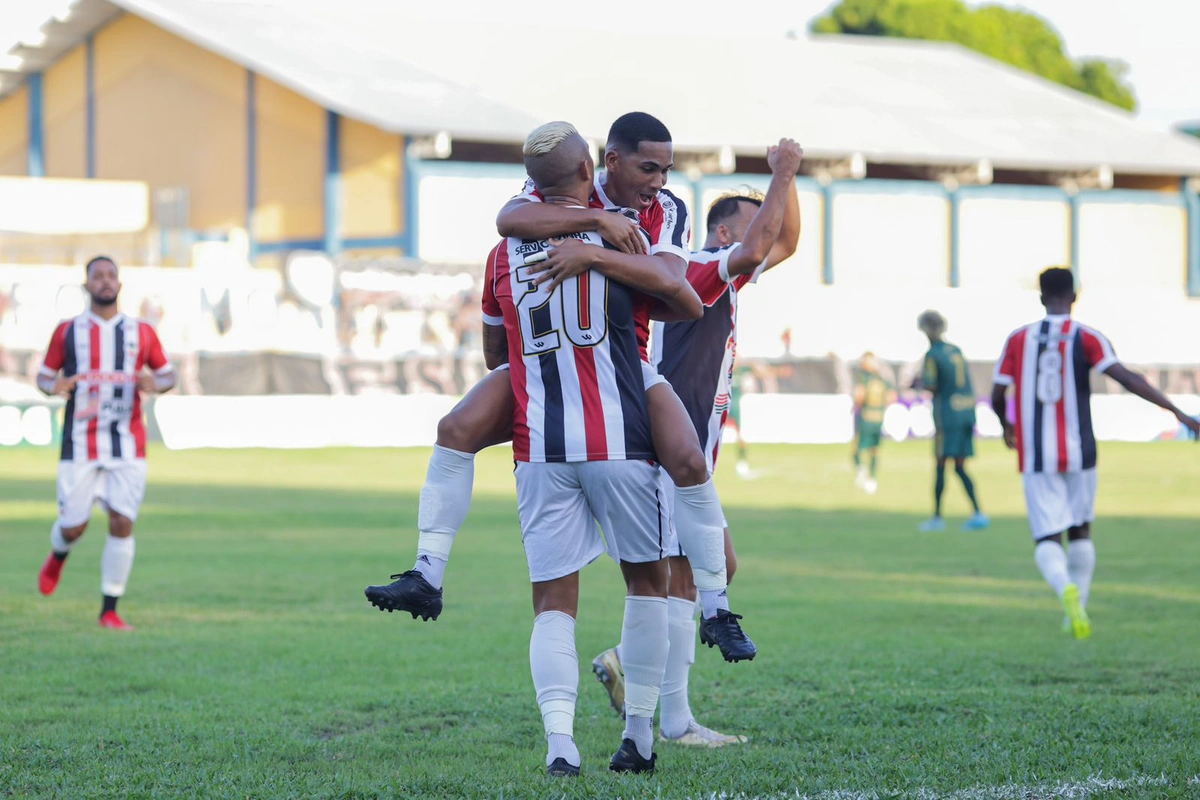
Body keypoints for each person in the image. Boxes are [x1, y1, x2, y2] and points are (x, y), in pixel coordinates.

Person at [365, 112, 756, 662]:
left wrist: (593, 253)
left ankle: (716, 608)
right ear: (604, 163)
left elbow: (673, 286)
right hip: (548, 365)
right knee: (454, 428)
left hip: (622, 358)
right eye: (649, 168)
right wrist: (597, 225)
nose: (659, 182)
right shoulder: (561, 190)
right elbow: (508, 220)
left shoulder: (667, 210)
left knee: (689, 461)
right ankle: (427, 572)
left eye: (666, 169)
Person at [489, 121, 692, 776]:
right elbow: (681, 299)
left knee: (552, 601)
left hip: (539, 443)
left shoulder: (509, 247)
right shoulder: (624, 234)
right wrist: (606, 241)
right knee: (648, 584)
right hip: (618, 435)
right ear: (590, 174)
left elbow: (496, 355)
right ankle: (638, 737)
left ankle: (560, 746)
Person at [588, 138, 803, 748]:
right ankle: (670, 713)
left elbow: (782, 240)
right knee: (700, 571)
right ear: (722, 231)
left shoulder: (717, 276)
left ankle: (641, 675)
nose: (763, 225)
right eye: (751, 218)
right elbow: (770, 242)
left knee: (702, 569)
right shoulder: (701, 270)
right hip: (667, 452)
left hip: (685, 451)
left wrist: (789, 182)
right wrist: (784, 172)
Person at [991, 267, 1199, 639]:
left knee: (1047, 538)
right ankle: (1079, 606)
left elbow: (997, 393)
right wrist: (1178, 412)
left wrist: (1006, 426)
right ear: (1074, 296)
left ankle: (1063, 591)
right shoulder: (1087, 337)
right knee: (1081, 530)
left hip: (1036, 453)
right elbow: (1127, 378)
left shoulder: (1018, 339)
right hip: (1080, 451)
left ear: (1041, 298)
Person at [35, 256, 177, 630]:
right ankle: (58, 555)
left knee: (122, 522)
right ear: (87, 286)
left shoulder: (141, 332)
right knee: (74, 527)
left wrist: (156, 383)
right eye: (97, 276)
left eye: (111, 275)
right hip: (79, 443)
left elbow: (168, 373)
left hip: (128, 445)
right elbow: (44, 376)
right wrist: (55, 386)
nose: (105, 281)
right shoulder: (68, 331)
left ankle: (109, 610)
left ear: (120, 284)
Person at [915, 311, 989, 532]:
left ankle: (937, 518)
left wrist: (917, 384)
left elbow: (932, 385)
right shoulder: (955, 350)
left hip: (948, 415)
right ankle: (978, 513)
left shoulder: (933, 354)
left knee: (940, 464)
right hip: (966, 410)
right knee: (959, 466)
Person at [852, 352, 894, 495]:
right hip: (878, 418)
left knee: (856, 449)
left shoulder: (864, 378)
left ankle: (861, 470)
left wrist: (855, 407)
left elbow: (859, 395)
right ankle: (872, 479)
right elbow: (891, 397)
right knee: (875, 450)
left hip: (866, 417)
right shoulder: (882, 378)